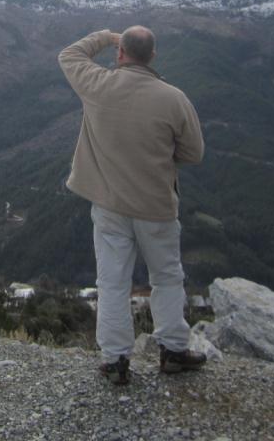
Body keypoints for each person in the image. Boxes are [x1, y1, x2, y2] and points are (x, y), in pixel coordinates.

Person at [59, 26, 205, 385]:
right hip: (156, 206)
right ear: (152, 56)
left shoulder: (98, 84)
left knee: (112, 282)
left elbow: (69, 55)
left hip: (110, 205)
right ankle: (173, 350)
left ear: (121, 53)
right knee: (167, 277)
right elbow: (193, 153)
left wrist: (105, 37)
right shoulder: (174, 98)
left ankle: (115, 361)